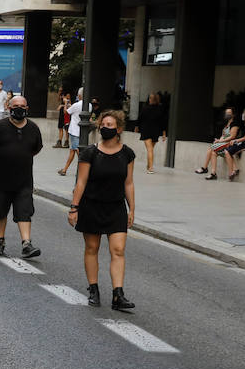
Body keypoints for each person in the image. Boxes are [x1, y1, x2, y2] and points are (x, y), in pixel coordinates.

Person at [67, 110, 136, 311]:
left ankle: (118, 295)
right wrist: (74, 207)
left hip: (116, 207)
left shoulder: (127, 154)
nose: (105, 128)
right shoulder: (90, 152)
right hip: (92, 205)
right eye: (103, 125)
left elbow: (129, 183)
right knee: (92, 248)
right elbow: (81, 181)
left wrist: (132, 208)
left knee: (118, 250)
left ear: (119, 129)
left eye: (109, 125)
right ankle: (94, 289)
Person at [0, 94, 42, 259]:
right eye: (16, 106)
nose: (19, 109)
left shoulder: (33, 129)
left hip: (24, 180)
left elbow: (35, 149)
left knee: (25, 211)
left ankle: (26, 244)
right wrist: (1, 159)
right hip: (0, 179)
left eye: (22, 106)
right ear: (9, 108)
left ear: (27, 109)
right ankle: (0, 242)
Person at [198, 107, 245, 181]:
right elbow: (223, 135)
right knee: (214, 153)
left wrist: (220, 142)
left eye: (229, 113)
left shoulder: (235, 124)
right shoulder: (227, 124)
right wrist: (218, 140)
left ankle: (204, 168)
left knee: (212, 147)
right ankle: (213, 173)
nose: (227, 114)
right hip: (223, 143)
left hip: (229, 143)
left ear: (233, 114)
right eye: (226, 113)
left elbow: (232, 136)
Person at [138, 92, 166, 173]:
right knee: (151, 149)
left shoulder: (145, 108)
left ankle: (150, 168)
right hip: (155, 131)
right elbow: (163, 122)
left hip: (146, 130)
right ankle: (148, 165)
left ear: (150, 99)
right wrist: (164, 134)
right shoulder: (160, 109)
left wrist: (137, 127)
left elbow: (140, 118)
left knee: (150, 149)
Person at [58, 88, 85, 175]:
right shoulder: (89, 105)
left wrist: (65, 103)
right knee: (72, 150)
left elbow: (66, 112)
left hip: (74, 131)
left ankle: (84, 169)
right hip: (82, 131)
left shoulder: (77, 105)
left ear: (80, 95)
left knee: (77, 151)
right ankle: (64, 169)